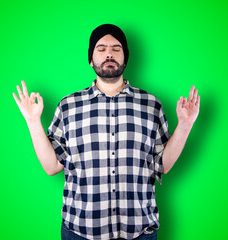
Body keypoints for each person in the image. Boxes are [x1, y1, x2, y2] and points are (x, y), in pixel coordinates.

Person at [13, 24, 200, 240]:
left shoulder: (151, 105)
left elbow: (163, 165)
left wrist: (185, 125)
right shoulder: (68, 106)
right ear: (91, 60)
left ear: (125, 58)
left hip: (139, 232)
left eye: (116, 48)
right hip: (80, 232)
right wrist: (32, 120)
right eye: (101, 49)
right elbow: (51, 166)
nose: (109, 53)